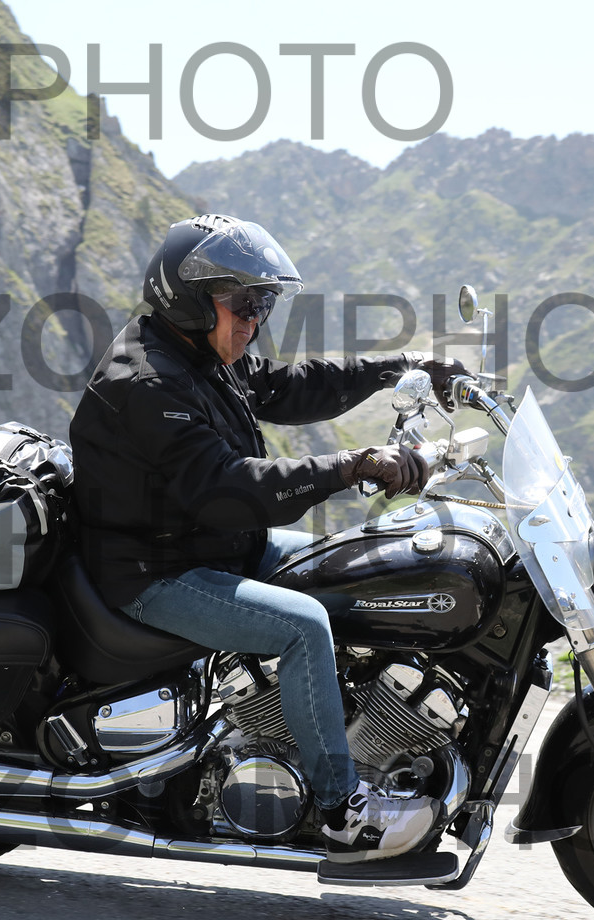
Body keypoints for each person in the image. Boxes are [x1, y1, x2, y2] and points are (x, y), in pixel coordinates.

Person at [69, 214, 467, 863]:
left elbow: (289, 386)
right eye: (244, 304)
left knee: (356, 567)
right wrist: (350, 466)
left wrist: (402, 366)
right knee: (304, 626)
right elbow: (228, 488)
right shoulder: (149, 382)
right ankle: (343, 812)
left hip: (214, 546)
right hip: (154, 573)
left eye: (264, 304)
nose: (255, 320)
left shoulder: (199, 355)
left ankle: (352, 733)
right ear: (193, 300)